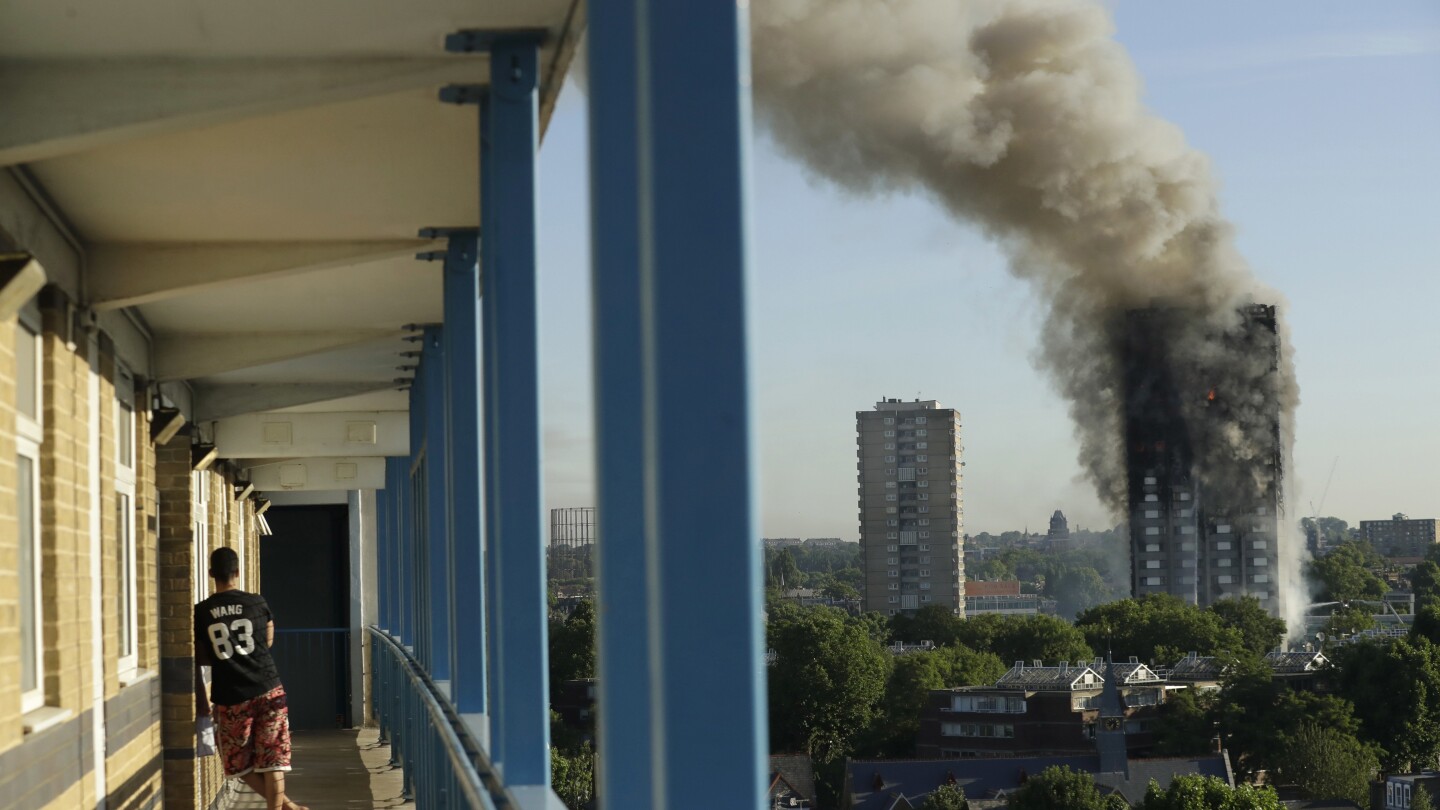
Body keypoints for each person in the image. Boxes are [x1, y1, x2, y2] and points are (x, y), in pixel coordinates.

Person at [194, 547, 308, 810]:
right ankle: (286, 808)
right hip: (269, 688)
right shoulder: (257, 603)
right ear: (237, 572)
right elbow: (267, 640)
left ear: (211, 573)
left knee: (237, 764)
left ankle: (289, 808)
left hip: (231, 697)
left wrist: (227, 658)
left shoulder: (202, 612)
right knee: (273, 760)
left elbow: (201, 656)